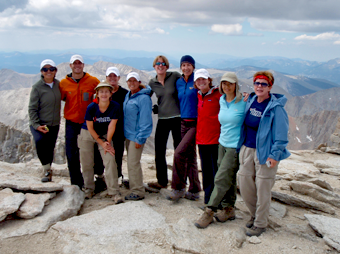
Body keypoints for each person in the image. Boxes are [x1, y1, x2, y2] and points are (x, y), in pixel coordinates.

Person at [237, 71, 290, 237]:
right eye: (257, 83)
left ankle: (260, 223)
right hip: (247, 149)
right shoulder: (251, 100)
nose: (260, 86)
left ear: (270, 87)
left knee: (263, 189)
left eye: (263, 84)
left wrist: (274, 155)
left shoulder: (276, 108)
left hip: (265, 152)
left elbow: (281, 136)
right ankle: (255, 214)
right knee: (245, 184)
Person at [194, 72, 246, 228]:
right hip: (221, 143)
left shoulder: (244, 102)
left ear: (236, 85)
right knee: (228, 177)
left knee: (221, 178)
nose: (227, 86)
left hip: (234, 146)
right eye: (224, 83)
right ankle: (229, 208)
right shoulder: (222, 100)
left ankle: (209, 211)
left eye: (230, 83)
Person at [78, 82, 123, 204]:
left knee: (110, 160)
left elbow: (112, 126)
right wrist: (101, 143)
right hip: (88, 133)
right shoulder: (91, 107)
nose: (104, 94)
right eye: (101, 91)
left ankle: (114, 191)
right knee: (87, 162)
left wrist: (107, 143)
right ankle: (89, 189)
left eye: (106, 91)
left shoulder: (115, 106)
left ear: (110, 93)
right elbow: (90, 127)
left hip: (104, 134)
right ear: (97, 94)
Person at [59, 55, 100, 189]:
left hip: (88, 123)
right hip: (71, 122)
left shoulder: (93, 81)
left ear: (83, 65)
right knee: (72, 153)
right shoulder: (63, 83)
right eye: (74, 63)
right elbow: (62, 98)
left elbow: (102, 95)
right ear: (70, 65)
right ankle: (76, 183)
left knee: (93, 151)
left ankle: (98, 178)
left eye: (79, 63)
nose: (77, 65)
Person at [167, 55, 201, 201]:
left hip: (195, 123)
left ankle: (178, 187)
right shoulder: (179, 82)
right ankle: (194, 190)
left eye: (189, 65)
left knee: (179, 153)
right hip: (183, 122)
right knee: (191, 156)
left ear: (193, 67)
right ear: (180, 67)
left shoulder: (197, 81)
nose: (186, 68)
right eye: (183, 65)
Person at [148, 56, 182, 190]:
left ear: (167, 66)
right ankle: (162, 181)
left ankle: (179, 182)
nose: (160, 65)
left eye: (163, 64)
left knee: (178, 151)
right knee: (159, 150)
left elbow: (186, 86)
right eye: (157, 63)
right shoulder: (152, 82)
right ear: (154, 66)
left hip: (177, 118)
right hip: (162, 119)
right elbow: (145, 96)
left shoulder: (175, 76)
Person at [28, 59, 61, 182]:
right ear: (41, 72)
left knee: (50, 147)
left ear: (55, 71)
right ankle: (46, 169)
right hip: (39, 123)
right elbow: (32, 107)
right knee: (40, 141)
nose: (48, 71)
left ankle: (49, 170)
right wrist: (36, 125)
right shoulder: (37, 87)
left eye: (51, 69)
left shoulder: (58, 84)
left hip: (54, 124)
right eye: (45, 69)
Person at [94, 67, 128, 183]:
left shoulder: (125, 93)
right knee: (100, 153)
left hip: (119, 129)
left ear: (119, 78)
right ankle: (99, 176)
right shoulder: (102, 92)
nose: (112, 78)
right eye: (110, 76)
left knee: (118, 153)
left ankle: (118, 177)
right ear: (106, 78)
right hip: (102, 129)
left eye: (115, 76)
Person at [123, 72, 153, 200]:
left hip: (136, 136)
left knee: (133, 162)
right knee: (131, 162)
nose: (132, 83)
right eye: (129, 81)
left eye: (134, 80)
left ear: (139, 82)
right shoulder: (129, 95)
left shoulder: (144, 98)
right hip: (128, 135)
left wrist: (140, 138)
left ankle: (138, 191)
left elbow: (146, 121)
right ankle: (135, 184)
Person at [194, 69, 221, 204]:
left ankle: (217, 200)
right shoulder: (198, 95)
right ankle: (208, 199)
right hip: (202, 140)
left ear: (209, 80)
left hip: (215, 140)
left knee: (216, 172)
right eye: (198, 80)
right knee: (206, 172)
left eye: (203, 79)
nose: (201, 82)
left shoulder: (218, 94)